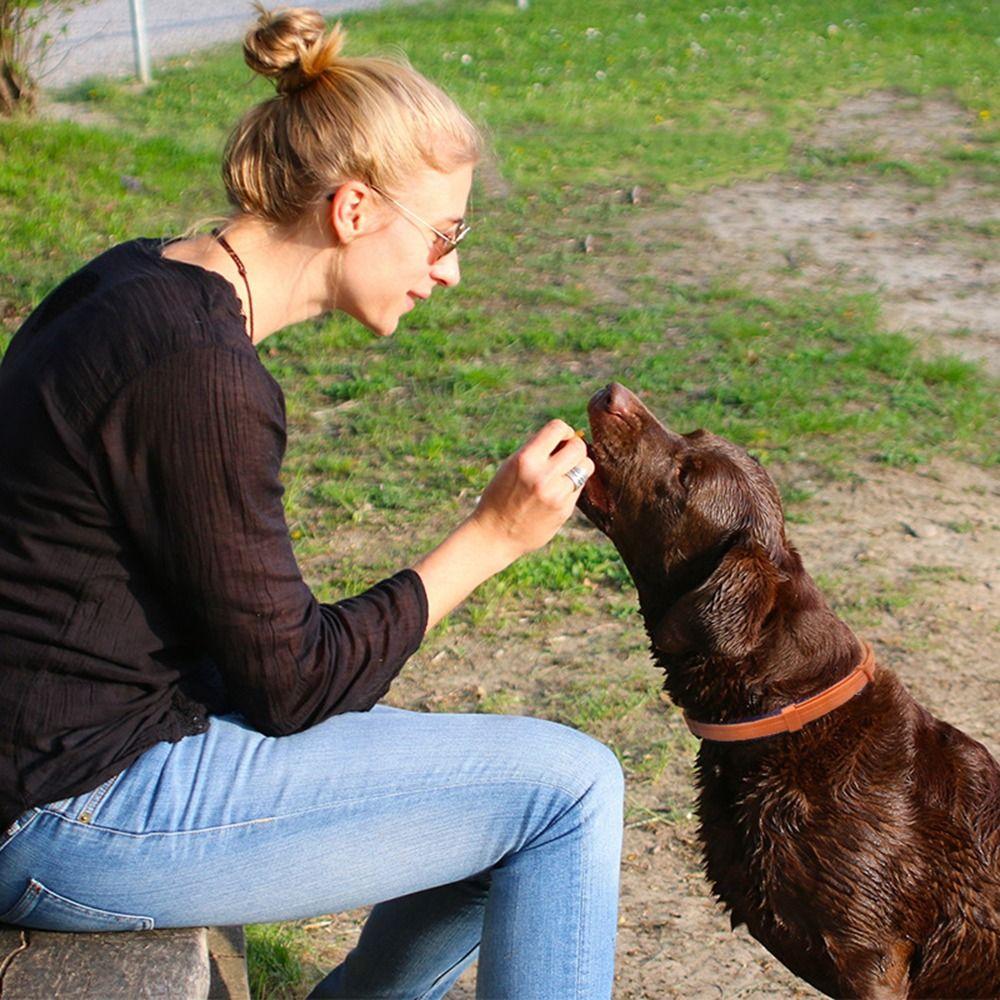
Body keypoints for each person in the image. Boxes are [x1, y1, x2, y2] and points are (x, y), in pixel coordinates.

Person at [0, 7, 624, 998]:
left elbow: (251, 655)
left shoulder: (136, 281)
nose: (449, 270)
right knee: (572, 791)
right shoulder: (202, 377)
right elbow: (290, 685)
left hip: (71, 753)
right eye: (444, 234)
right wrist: (489, 538)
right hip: (63, 806)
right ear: (353, 210)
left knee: (500, 778)